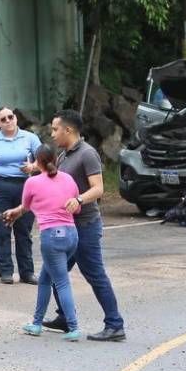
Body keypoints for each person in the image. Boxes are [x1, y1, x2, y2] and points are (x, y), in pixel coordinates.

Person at [42, 109, 125, 342]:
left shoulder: (87, 154)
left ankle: (115, 325)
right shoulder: (63, 155)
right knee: (52, 273)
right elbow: (57, 179)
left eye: (55, 129)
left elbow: (98, 188)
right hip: (65, 226)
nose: (53, 134)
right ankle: (65, 318)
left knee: (95, 275)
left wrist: (78, 199)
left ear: (68, 130)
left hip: (85, 225)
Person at [5, 145, 82, 342]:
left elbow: (27, 206)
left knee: (61, 282)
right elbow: (77, 209)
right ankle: (37, 323)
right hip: (72, 235)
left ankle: (73, 327)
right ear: (56, 159)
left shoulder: (32, 182)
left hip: (51, 237)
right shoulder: (69, 179)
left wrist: (15, 212)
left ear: (36, 162)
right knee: (45, 279)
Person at [0, 106, 41, 285]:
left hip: (25, 186)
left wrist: (33, 167)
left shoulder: (30, 138)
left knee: (24, 230)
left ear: (16, 118)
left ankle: (27, 272)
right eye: (3, 119)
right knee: (2, 229)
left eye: (10, 117)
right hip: (1, 186)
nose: (8, 121)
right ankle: (5, 271)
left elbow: (43, 160)